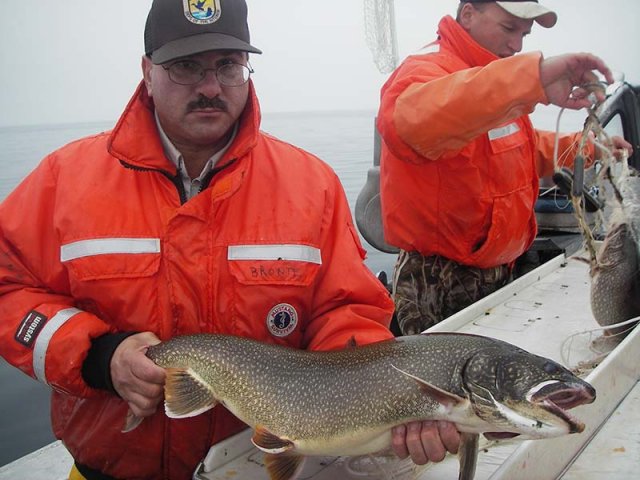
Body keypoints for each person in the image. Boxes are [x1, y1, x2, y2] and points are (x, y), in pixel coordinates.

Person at [0, 0, 460, 478]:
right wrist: (100, 356)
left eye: (228, 66)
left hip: (250, 464)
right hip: (108, 467)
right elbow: (6, 289)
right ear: (146, 71)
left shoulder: (313, 185)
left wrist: (389, 402)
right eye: (185, 67)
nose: (210, 87)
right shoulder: (64, 180)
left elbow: (347, 312)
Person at [377, 0, 633, 335]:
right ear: (468, 14)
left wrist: (590, 147)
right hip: (438, 281)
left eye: (524, 33)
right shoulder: (426, 72)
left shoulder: (497, 84)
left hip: (502, 270)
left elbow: (519, 149)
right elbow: (412, 123)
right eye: (508, 28)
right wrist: (533, 77)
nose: (517, 45)